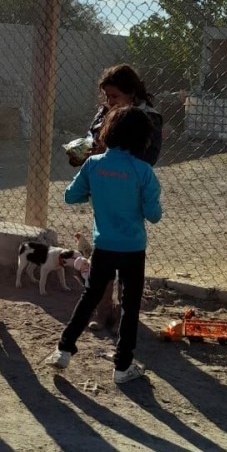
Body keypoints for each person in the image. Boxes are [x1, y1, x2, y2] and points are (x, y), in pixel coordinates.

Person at [46, 105, 162, 383]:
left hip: (104, 246)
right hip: (132, 248)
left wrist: (96, 192)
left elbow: (70, 197)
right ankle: (123, 367)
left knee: (89, 297)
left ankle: (64, 350)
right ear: (143, 138)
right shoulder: (143, 171)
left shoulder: (93, 164)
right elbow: (154, 215)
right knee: (130, 305)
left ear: (107, 131)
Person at [68, 64, 163, 331]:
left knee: (126, 260)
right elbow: (91, 138)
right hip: (106, 191)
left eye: (114, 97)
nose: (109, 102)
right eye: (107, 97)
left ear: (131, 93)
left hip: (128, 193)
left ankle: (123, 315)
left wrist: (109, 151)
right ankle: (104, 314)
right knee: (103, 256)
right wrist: (83, 151)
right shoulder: (105, 112)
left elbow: (148, 157)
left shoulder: (148, 118)